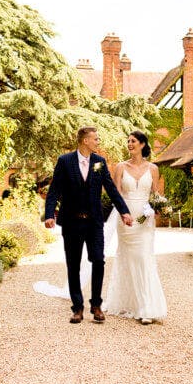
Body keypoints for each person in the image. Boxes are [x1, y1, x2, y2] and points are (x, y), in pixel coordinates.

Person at [44, 126, 134, 324]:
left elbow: (111, 189)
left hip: (94, 222)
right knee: (73, 265)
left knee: (98, 260)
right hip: (71, 221)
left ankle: (96, 304)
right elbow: (54, 190)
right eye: (95, 139)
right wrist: (49, 214)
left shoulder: (99, 163)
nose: (98, 142)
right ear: (85, 140)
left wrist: (124, 211)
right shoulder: (65, 161)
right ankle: (77, 307)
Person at [102, 130, 168, 325]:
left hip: (145, 219)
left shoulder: (153, 168)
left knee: (144, 258)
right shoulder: (121, 167)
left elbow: (156, 194)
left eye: (133, 141)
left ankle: (147, 307)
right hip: (126, 217)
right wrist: (123, 213)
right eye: (128, 141)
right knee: (128, 258)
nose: (129, 144)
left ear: (142, 144)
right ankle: (130, 302)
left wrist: (158, 208)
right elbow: (116, 194)